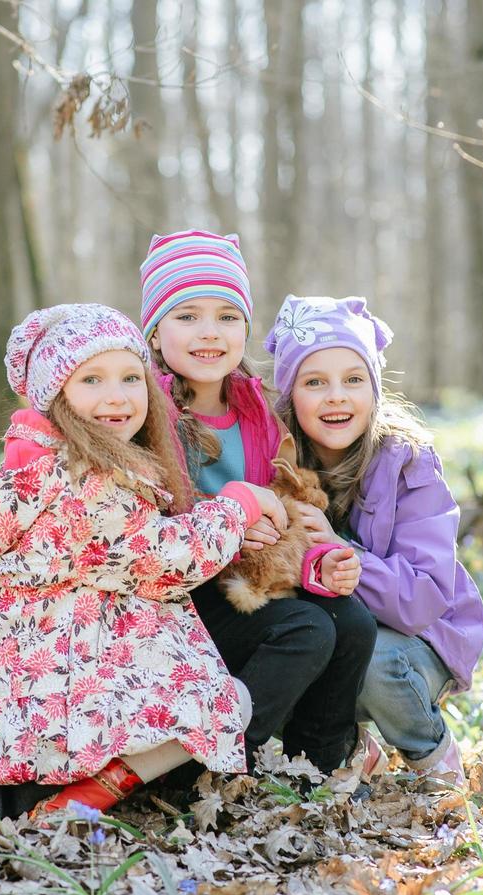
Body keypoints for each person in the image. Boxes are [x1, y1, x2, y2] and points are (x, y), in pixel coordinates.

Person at [0, 303, 287, 819]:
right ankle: (95, 792)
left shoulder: (32, 471)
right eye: (92, 381)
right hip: (70, 701)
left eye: (130, 377)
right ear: (56, 398)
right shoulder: (88, 479)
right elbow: (170, 560)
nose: (117, 397)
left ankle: (66, 791)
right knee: (227, 702)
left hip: (22, 715)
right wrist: (241, 502)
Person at [140, 231, 380, 778]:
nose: (209, 333)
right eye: (187, 317)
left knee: (352, 622)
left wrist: (319, 563)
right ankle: (208, 766)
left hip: (256, 577)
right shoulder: (147, 408)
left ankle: (315, 763)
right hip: (180, 595)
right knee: (305, 630)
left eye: (227, 316)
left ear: (246, 328)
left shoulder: (257, 407)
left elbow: (289, 501)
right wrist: (226, 526)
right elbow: (150, 518)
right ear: (155, 332)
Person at [266, 295, 483, 782]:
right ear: (289, 394)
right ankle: (346, 745)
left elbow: (423, 600)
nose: (336, 396)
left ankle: (434, 759)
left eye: (353, 379)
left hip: (418, 639)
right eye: (314, 382)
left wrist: (344, 556)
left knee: (379, 662)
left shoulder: (407, 462)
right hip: (331, 636)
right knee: (273, 655)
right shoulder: (275, 459)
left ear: (374, 387)